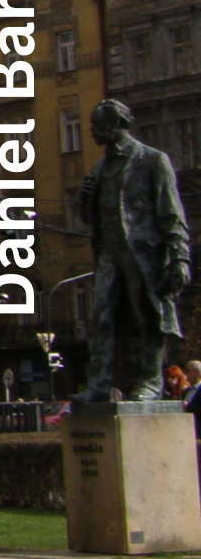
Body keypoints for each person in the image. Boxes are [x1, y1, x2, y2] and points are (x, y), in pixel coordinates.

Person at [78, 98, 190, 401]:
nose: (91, 131)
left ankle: (150, 382)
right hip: (110, 255)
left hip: (144, 254)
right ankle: (98, 385)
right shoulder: (100, 167)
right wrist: (84, 200)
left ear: (117, 125)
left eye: (97, 125)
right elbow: (92, 217)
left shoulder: (152, 160)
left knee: (148, 319)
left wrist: (179, 257)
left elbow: (171, 213)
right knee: (100, 318)